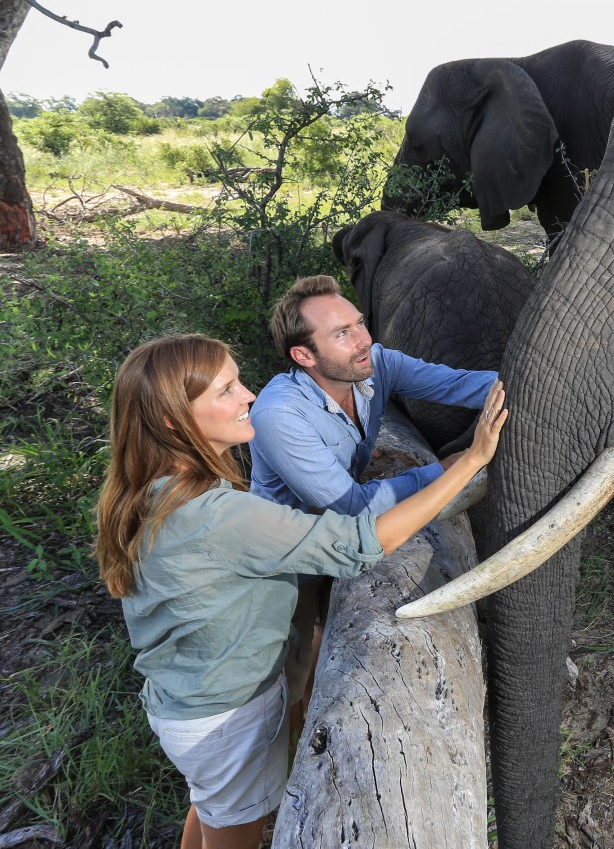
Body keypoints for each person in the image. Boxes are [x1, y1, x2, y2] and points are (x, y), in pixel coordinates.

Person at [95, 334, 507, 849]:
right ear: (173, 422)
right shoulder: (215, 516)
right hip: (227, 718)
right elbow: (362, 541)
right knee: (235, 831)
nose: (248, 396)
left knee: (211, 806)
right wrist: (470, 462)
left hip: (187, 701)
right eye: (226, 391)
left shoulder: (153, 489)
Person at [248, 274, 498, 730]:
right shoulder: (278, 414)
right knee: (287, 680)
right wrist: (447, 469)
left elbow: (462, 385)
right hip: (291, 561)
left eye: (359, 323)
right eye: (341, 334)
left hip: (344, 540)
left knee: (324, 649)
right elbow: (352, 508)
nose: (363, 340)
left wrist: (546, 384)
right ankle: (262, 776)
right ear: (304, 356)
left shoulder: (375, 363)